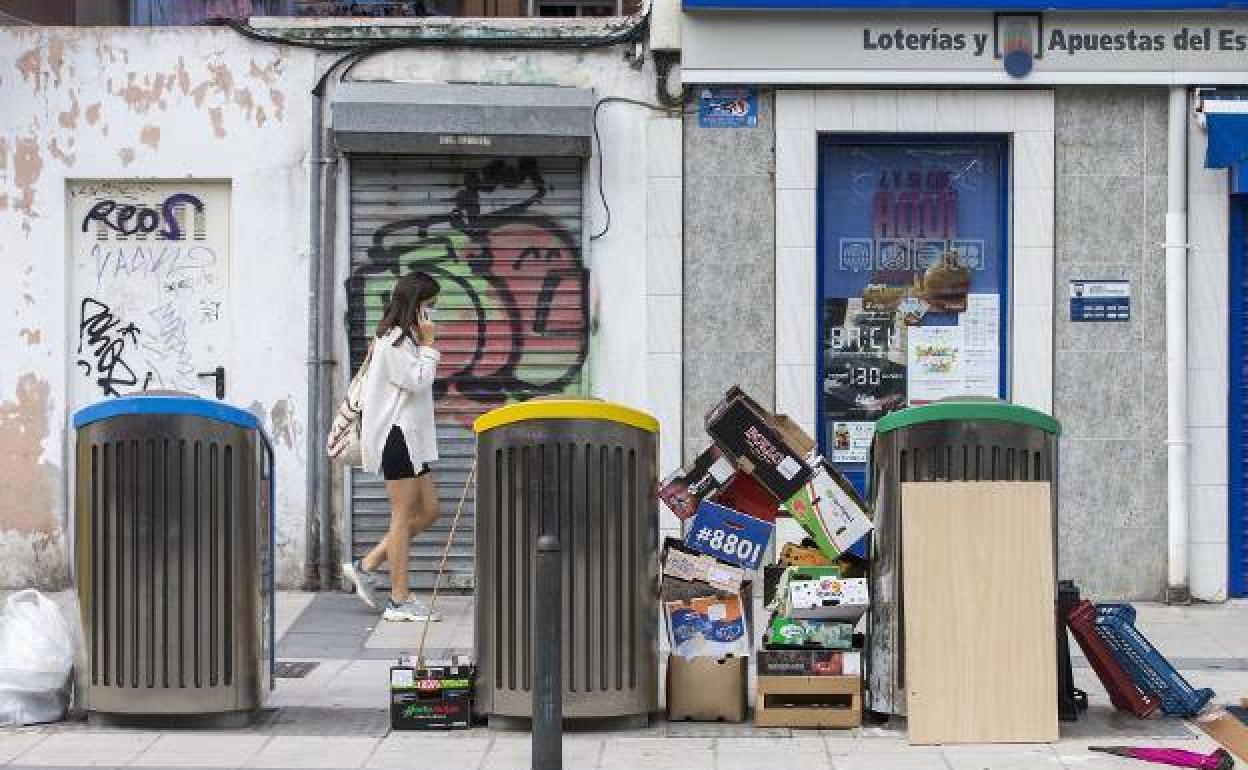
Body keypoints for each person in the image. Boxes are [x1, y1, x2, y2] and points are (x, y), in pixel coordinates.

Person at [342, 271, 443, 622]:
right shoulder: (396, 341)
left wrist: (424, 344)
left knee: (429, 510)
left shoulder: (405, 339)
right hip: (397, 437)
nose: (433, 314)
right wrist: (430, 347)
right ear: (415, 307)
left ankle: (367, 564)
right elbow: (415, 381)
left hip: (412, 440)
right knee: (402, 517)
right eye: (429, 306)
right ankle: (399, 600)